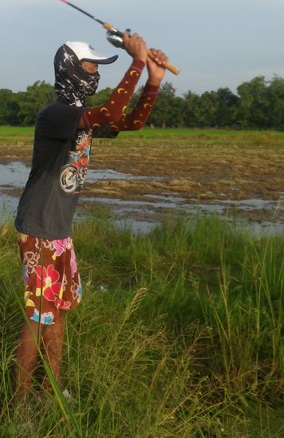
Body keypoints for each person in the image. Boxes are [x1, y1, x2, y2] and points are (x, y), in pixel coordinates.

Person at [13, 32, 168, 398]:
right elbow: (111, 112)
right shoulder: (56, 115)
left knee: (59, 312)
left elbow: (128, 122)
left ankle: (53, 388)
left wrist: (153, 81)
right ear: (69, 67)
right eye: (89, 65)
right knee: (37, 319)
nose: (94, 73)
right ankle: (16, 408)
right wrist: (135, 62)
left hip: (60, 230)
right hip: (39, 228)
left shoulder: (83, 116)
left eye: (97, 67)